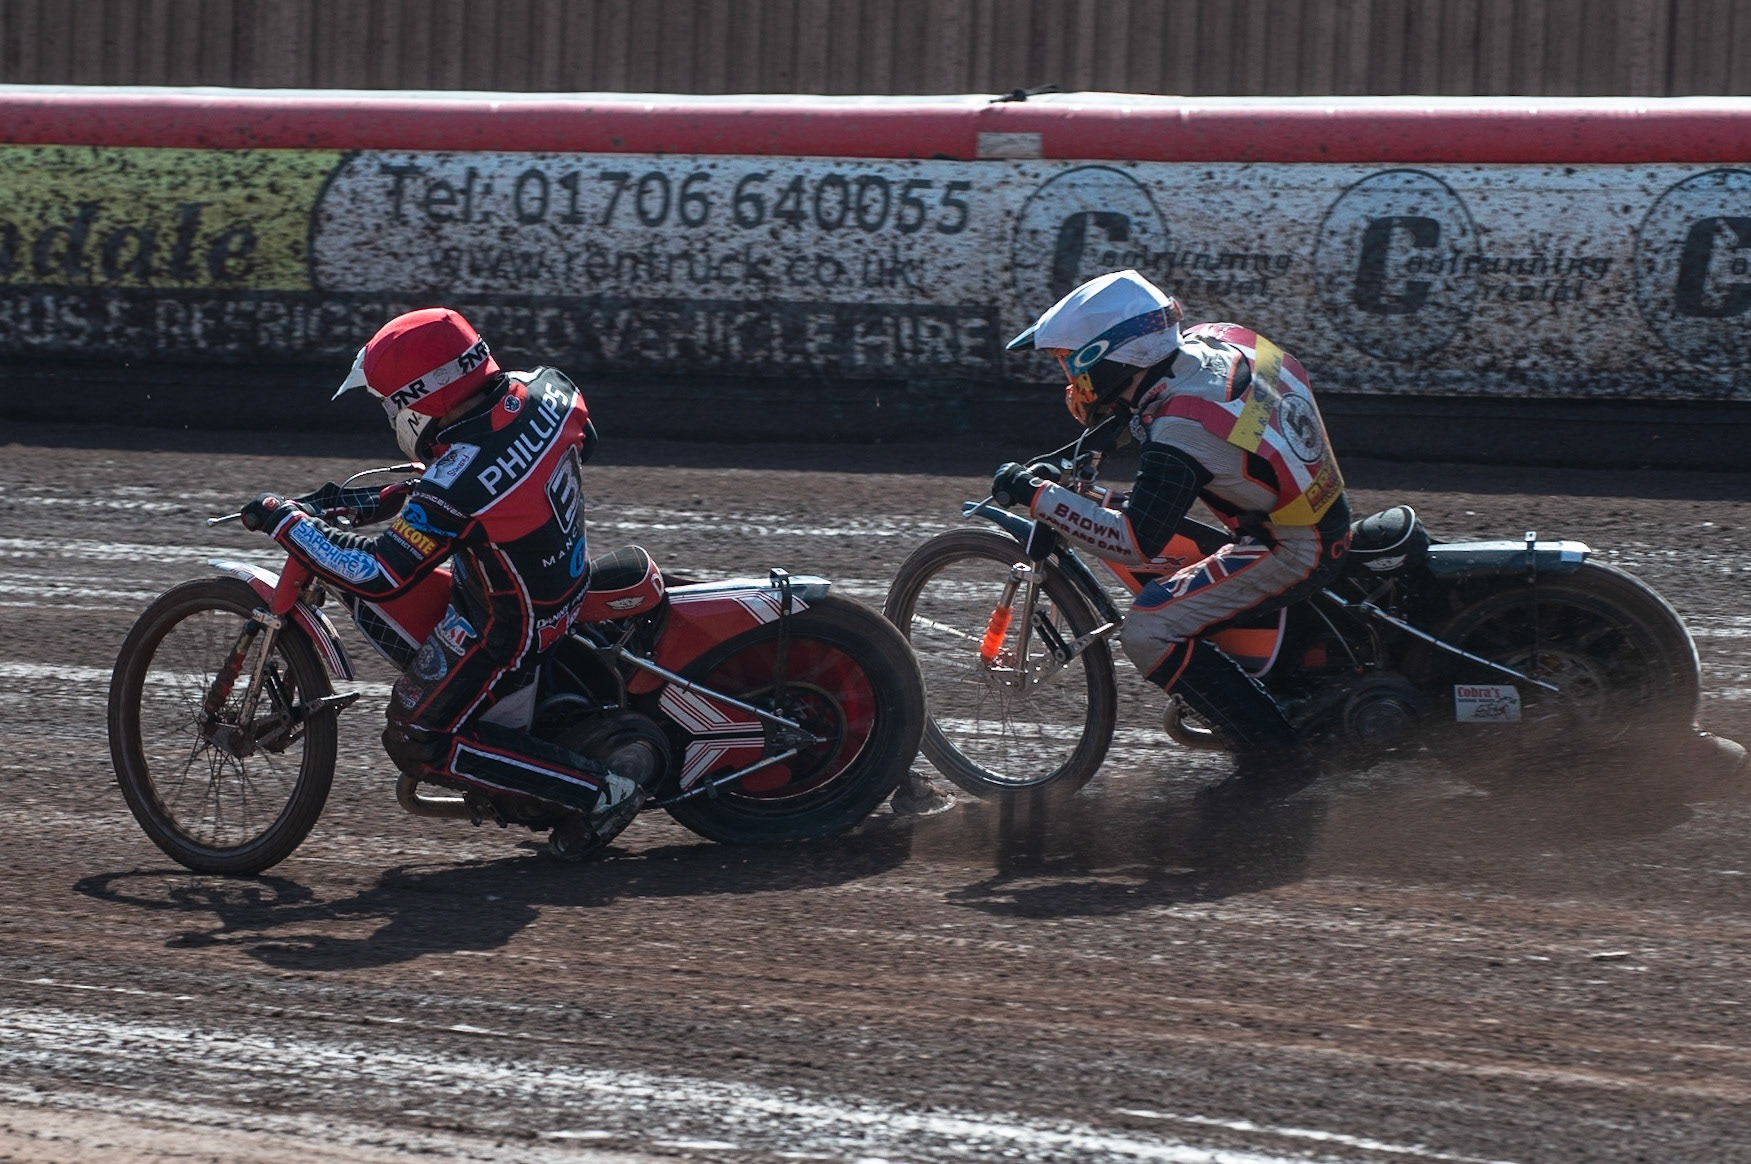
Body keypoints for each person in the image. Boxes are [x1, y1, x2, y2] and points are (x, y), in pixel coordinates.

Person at [237, 307, 645, 858]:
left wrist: (288, 522)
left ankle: (601, 792)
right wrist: (380, 501)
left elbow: (380, 573)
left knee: (415, 736)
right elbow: (563, 450)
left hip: (511, 623)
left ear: (418, 400)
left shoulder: (462, 478)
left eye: (389, 403)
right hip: (557, 573)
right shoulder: (548, 388)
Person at [994, 270, 1352, 804]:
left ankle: (1279, 763)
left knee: (1149, 629)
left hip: (1296, 545)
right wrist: (1094, 443)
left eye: (1072, 363)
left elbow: (1138, 541)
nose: (1069, 379)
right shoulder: (1215, 340)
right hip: (1310, 501)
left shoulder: (1182, 430)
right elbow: (1149, 404)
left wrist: (1039, 497)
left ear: (1111, 356)